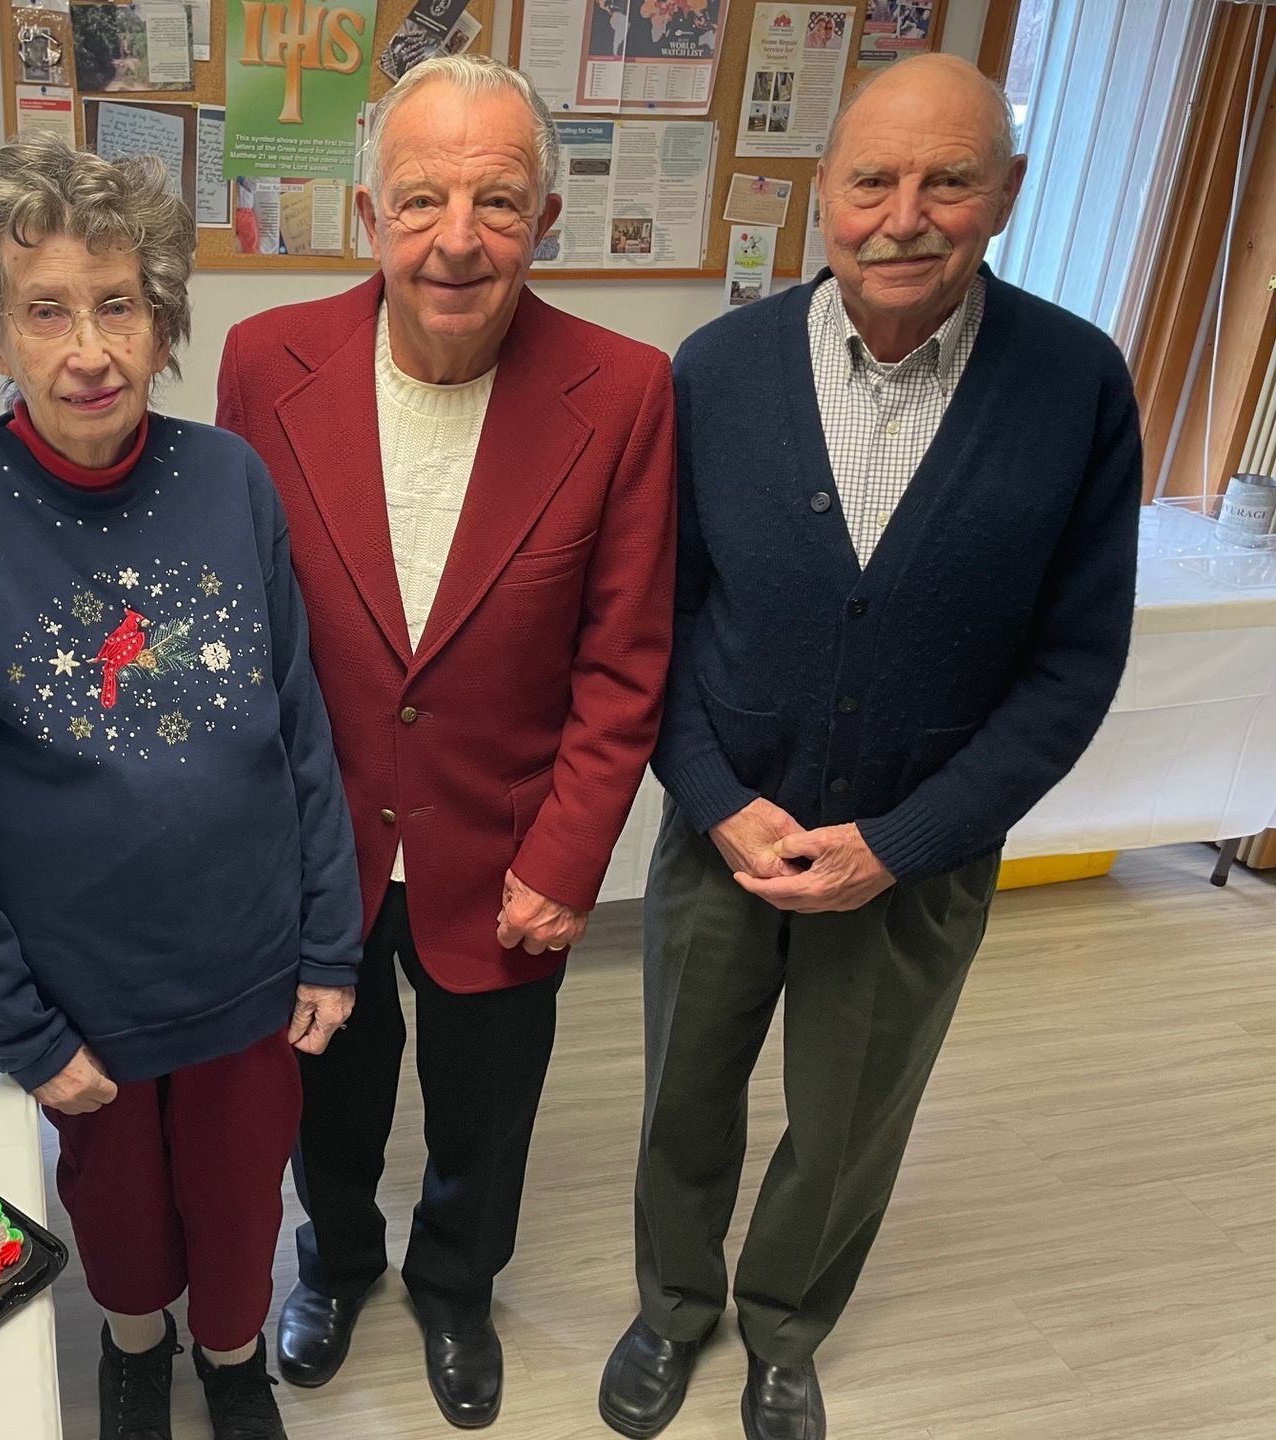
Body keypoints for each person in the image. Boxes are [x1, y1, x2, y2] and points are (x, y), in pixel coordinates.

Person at [597, 55, 1140, 1440]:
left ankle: (785, 1327)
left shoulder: (1076, 386)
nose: (907, 215)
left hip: (920, 856)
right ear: (821, 196)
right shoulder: (716, 372)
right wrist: (714, 802)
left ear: (1003, 197)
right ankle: (671, 1309)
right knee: (683, 1102)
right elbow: (651, 626)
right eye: (873, 181)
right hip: (725, 831)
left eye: (949, 180)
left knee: (849, 1127)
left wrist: (902, 844)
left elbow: (1074, 665)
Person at [0, 136, 362, 1440]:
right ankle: (137, 1349)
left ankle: (233, 1356)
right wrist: (17, 1028)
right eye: (46, 310)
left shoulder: (232, 481)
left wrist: (330, 937)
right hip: (81, 990)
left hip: (250, 966)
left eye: (118, 304)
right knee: (120, 1210)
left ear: (161, 321)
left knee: (242, 1192)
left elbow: (301, 726)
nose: (87, 348)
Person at [218, 53, 677, 1430]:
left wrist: (570, 853)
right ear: (368, 213)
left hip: (509, 849)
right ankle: (338, 1261)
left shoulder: (628, 390)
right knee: (330, 1099)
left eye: (496, 200)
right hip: (320, 844)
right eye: (422, 199)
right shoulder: (264, 361)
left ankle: (457, 1286)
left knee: (486, 1113)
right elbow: (249, 621)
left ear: (545, 221)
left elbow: (627, 657)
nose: (458, 239)